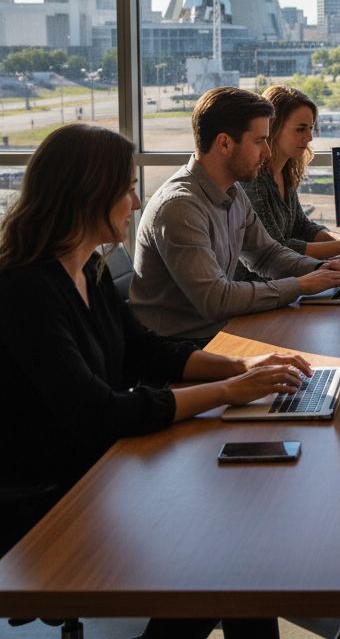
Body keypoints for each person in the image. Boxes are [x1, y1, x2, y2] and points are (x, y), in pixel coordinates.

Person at [0, 123, 310, 639]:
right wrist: (227, 393)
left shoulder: (88, 272)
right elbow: (96, 411)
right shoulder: (25, 291)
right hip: (53, 489)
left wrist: (243, 369)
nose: (135, 200)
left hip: (103, 458)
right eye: (125, 188)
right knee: (228, 553)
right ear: (88, 194)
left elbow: (149, 351)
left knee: (237, 546)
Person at [131, 87, 340, 344]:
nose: (267, 153)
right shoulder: (180, 207)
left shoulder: (233, 192)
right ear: (224, 143)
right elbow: (216, 300)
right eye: (259, 141)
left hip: (217, 332)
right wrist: (302, 285)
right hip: (181, 350)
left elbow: (266, 254)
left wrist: (319, 269)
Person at [236, 85, 340, 281]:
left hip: (286, 283)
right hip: (260, 289)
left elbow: (302, 225)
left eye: (310, 128)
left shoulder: (285, 170)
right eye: (300, 129)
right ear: (273, 128)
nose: (309, 138)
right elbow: (279, 248)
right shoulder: (254, 180)